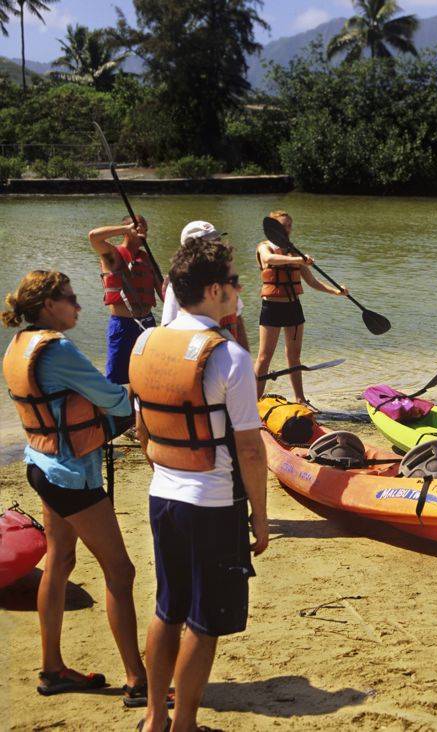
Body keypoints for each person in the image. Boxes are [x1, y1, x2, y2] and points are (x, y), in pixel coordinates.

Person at [130, 238, 268, 732]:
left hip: (162, 495)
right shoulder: (228, 356)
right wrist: (262, 516)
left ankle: (153, 719)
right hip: (211, 503)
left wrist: (168, 472)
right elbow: (251, 450)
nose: (238, 288)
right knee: (203, 620)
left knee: (166, 606)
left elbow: (143, 430)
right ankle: (184, 724)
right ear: (213, 290)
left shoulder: (144, 342)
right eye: (233, 281)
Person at [2, 270, 155, 706]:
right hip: (72, 476)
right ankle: (138, 681)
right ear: (49, 304)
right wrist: (134, 396)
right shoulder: (60, 348)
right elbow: (114, 400)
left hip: (41, 466)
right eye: (70, 298)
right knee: (120, 572)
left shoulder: (20, 345)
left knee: (61, 561)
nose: (79, 306)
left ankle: (52, 669)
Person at [253, 209, 347, 408]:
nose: (287, 229)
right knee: (264, 357)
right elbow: (269, 260)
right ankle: (253, 402)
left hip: (294, 308)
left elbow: (312, 282)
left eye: (289, 226)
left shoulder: (295, 252)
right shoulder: (264, 247)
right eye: (282, 226)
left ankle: (300, 399)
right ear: (273, 228)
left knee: (294, 356)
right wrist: (299, 259)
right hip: (272, 307)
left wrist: (336, 292)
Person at [88, 216, 162, 384]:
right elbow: (93, 236)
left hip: (148, 324)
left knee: (147, 377)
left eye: (146, 230)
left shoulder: (147, 259)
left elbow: (165, 294)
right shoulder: (113, 255)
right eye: (140, 228)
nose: (144, 233)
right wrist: (126, 228)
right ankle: (117, 410)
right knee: (117, 380)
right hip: (123, 325)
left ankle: (139, 409)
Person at [161, 221, 249, 350]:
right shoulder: (179, 284)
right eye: (213, 241)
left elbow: (238, 318)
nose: (219, 244)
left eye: (218, 239)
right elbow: (168, 329)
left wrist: (245, 355)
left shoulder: (225, 277)